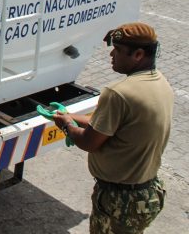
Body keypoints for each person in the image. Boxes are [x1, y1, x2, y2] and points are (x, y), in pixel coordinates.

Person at [53, 22, 173, 234]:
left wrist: (66, 125)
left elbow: (89, 142)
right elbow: (109, 125)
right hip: (146, 194)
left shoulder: (118, 93)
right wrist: (71, 116)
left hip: (119, 201)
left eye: (117, 50)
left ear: (138, 55)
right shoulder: (160, 82)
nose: (111, 54)